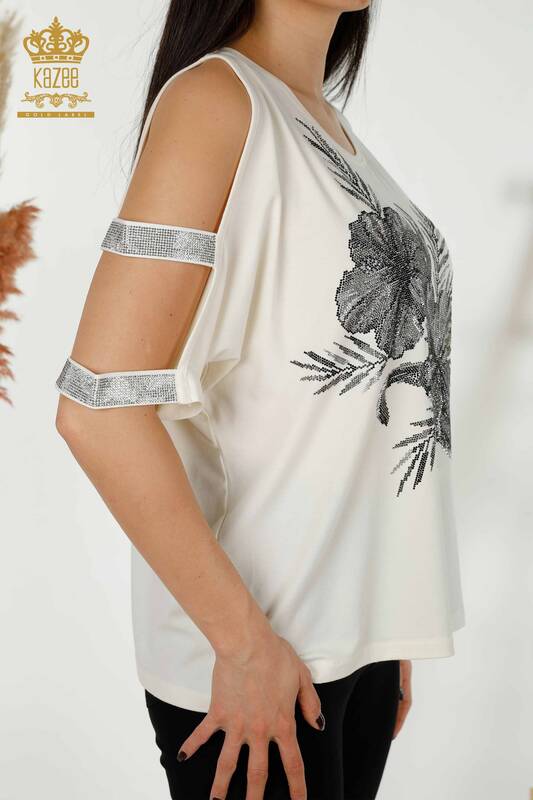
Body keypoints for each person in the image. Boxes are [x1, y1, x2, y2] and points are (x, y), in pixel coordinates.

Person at [54, 1, 466, 798]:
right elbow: (98, 409)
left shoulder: (322, 122)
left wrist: (385, 622)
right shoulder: (216, 100)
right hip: (256, 656)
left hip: (352, 643)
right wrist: (242, 645)